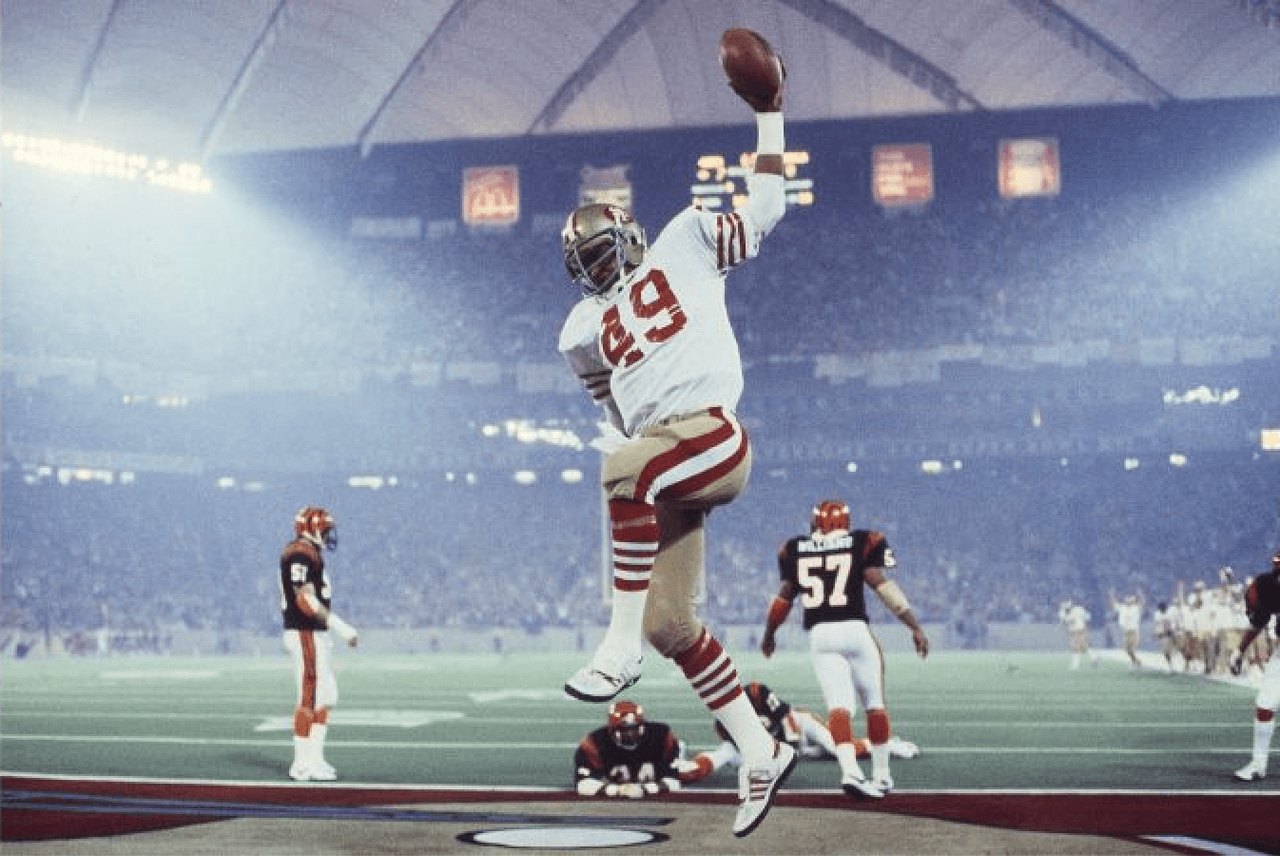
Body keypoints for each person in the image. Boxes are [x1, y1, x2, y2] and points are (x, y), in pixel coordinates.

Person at [556, 32, 793, 837]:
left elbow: (766, 208)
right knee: (673, 626)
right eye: (584, 258)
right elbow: (616, 407)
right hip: (666, 452)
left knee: (623, 468)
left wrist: (769, 116)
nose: (598, 264)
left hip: (714, 436)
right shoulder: (583, 327)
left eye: (601, 246)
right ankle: (760, 751)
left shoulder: (685, 240)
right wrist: (640, 455)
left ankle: (615, 643)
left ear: (626, 231)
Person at [761, 499, 929, 798]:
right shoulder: (863, 541)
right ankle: (882, 775)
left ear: (816, 524)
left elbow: (785, 596)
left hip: (820, 635)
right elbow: (881, 584)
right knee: (874, 703)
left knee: (839, 707)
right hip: (854, 629)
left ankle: (850, 772)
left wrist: (770, 633)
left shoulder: (795, 548)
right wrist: (913, 626)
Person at [677, 681, 919, 784]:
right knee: (727, 754)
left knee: (837, 749)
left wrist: (793, 744)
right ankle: (687, 768)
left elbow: (786, 715)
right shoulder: (723, 720)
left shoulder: (756, 692)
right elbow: (726, 748)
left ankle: (889, 745)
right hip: (770, 746)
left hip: (798, 728)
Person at [279, 506, 359, 781]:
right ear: (312, 529)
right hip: (304, 631)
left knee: (327, 696)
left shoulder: (311, 553)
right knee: (309, 697)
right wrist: (341, 627)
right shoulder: (299, 553)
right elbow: (303, 599)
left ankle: (315, 758)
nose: (328, 535)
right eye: (324, 529)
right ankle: (301, 764)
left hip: (315, 633)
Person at [1228, 551, 1280, 781]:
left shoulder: (1268, 584)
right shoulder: (1270, 585)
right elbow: (1259, 621)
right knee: (1265, 704)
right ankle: (1258, 764)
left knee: (1265, 705)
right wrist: (1239, 650)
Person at [574, 699, 684, 798]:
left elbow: (674, 780)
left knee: (694, 769)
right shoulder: (595, 742)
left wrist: (646, 789)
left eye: (634, 729)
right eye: (624, 730)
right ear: (612, 730)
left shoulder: (660, 735)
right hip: (618, 788)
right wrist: (617, 790)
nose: (630, 734)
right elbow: (583, 784)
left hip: (654, 780)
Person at [1058, 597, 1097, 669]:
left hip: (1079, 630)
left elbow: (1087, 617)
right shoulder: (1065, 613)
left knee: (1076, 647)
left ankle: (1075, 665)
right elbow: (1064, 623)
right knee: (1084, 646)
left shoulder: (1078, 610)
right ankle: (1094, 657)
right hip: (1076, 630)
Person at [1109, 591, 1144, 669]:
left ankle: (1134, 662)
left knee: (1129, 648)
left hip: (1133, 631)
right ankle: (1136, 662)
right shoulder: (1123, 608)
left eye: (1131, 600)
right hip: (1126, 631)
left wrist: (1141, 594)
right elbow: (1115, 604)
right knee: (1127, 649)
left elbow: (1142, 603)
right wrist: (1112, 595)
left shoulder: (1135, 608)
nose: (1129, 601)